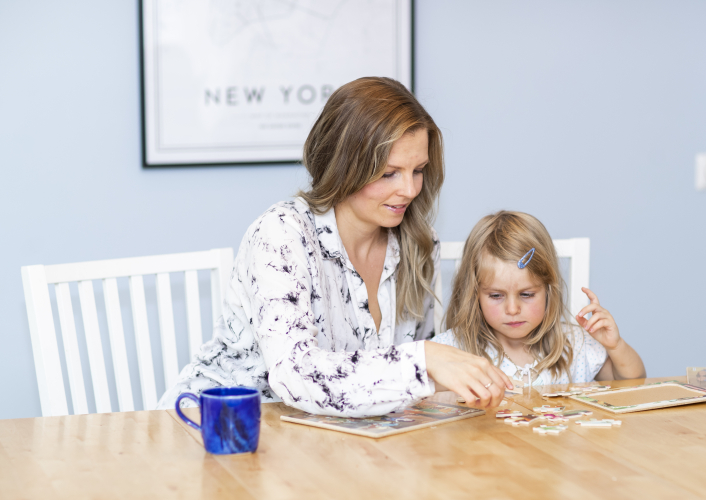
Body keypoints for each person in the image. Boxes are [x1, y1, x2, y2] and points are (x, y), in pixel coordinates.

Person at [157, 77, 513, 417]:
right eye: (389, 173)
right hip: (218, 427)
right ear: (344, 167)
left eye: (418, 170)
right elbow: (294, 375)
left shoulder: (418, 242)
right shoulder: (281, 234)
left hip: (329, 436)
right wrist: (423, 361)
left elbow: (400, 383)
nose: (409, 189)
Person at [431, 211, 646, 385]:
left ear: (548, 291)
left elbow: (632, 383)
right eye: (496, 295)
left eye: (526, 294)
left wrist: (616, 346)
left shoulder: (576, 346)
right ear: (474, 294)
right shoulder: (451, 351)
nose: (512, 309)